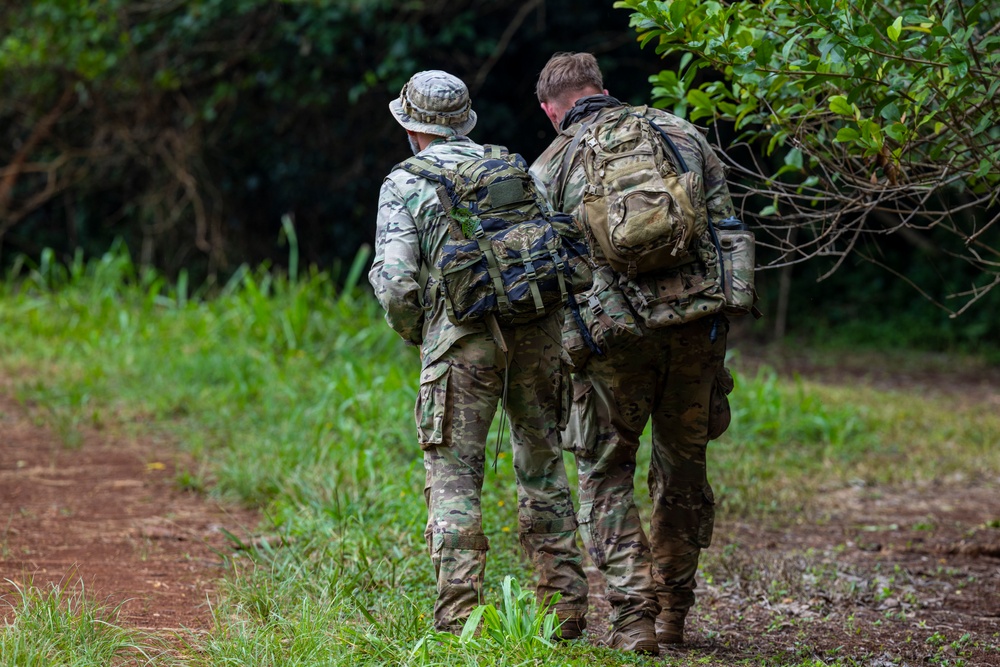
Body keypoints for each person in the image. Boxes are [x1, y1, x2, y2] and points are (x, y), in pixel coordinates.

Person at [368, 69, 589, 636]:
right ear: (464, 121)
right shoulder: (513, 165)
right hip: (536, 332)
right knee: (544, 466)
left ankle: (460, 616)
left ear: (412, 127)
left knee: (454, 480)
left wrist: (425, 332)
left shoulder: (404, 181)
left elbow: (395, 283)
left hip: (461, 342)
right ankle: (564, 608)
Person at [529, 52, 737, 654]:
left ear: (551, 110)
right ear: (605, 89)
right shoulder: (681, 134)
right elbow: (726, 234)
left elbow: (553, 270)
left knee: (604, 471)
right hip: (696, 328)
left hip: (612, 342)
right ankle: (674, 613)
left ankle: (633, 622)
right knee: (683, 471)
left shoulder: (552, 162)